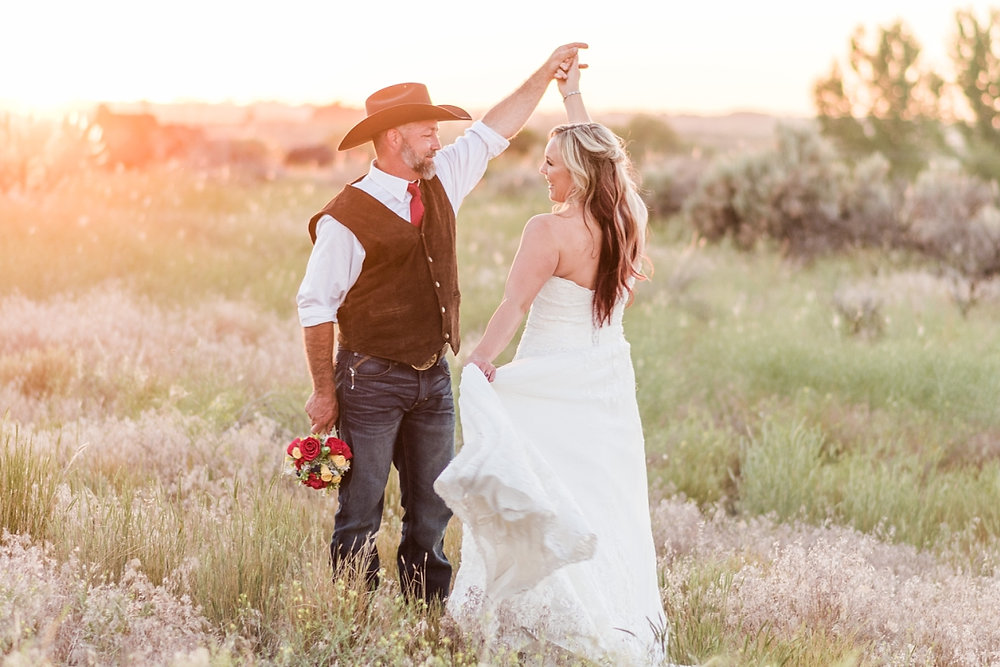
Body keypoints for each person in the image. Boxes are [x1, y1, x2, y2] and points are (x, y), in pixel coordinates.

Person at [295, 43, 588, 605]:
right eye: (427, 131)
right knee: (360, 510)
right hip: (369, 379)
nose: (438, 139)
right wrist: (323, 392)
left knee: (432, 510)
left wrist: (545, 75)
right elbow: (316, 306)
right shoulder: (346, 217)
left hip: (432, 378)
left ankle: (425, 616)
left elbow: (493, 131)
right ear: (393, 139)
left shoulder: (442, 178)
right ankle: (350, 620)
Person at [434, 54, 668, 664]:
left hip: (546, 384)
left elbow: (512, 308)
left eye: (552, 164)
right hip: (606, 382)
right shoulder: (630, 218)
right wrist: (572, 100)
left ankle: (539, 621)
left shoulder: (548, 231)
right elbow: (603, 157)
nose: (543, 172)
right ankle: (610, 621)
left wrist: (478, 363)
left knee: (539, 493)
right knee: (601, 500)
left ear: (579, 175)